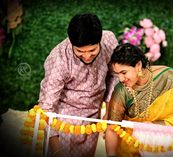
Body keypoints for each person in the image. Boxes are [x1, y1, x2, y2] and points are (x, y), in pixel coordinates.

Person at [38, 13, 118, 157]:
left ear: (100, 41)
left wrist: (109, 108)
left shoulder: (109, 41)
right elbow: (46, 109)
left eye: (92, 50)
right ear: (71, 42)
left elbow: (115, 74)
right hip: (63, 120)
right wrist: (56, 150)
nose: (87, 56)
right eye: (80, 52)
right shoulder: (59, 60)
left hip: (93, 116)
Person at [105, 43, 173, 157]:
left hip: (168, 148)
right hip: (131, 150)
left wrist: (157, 125)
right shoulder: (121, 90)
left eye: (124, 72)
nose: (121, 79)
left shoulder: (170, 79)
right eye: (117, 74)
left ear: (138, 65)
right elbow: (112, 127)